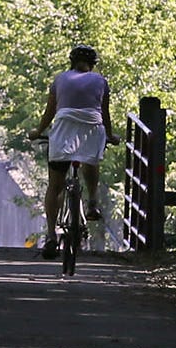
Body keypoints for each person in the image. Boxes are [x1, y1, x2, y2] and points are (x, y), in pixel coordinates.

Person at [29, 43, 121, 258]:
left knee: (55, 186)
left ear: (71, 62)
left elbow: (50, 111)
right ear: (92, 64)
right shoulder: (101, 81)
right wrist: (110, 135)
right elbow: (104, 113)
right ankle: (92, 202)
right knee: (91, 160)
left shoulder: (60, 79)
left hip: (64, 128)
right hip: (92, 127)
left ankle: (51, 235)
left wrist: (38, 131)